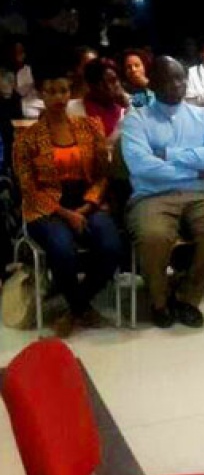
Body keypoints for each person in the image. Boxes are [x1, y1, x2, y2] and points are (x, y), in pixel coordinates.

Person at [121, 57, 204, 329]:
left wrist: (169, 154)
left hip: (200, 194)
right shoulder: (136, 119)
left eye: (180, 78)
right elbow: (141, 165)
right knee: (153, 235)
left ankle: (187, 296)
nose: (175, 84)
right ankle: (159, 300)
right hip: (152, 195)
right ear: (152, 83)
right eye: (167, 79)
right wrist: (194, 171)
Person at [13, 65, 123, 337]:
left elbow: (102, 175)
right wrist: (66, 213)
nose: (58, 97)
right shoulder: (27, 139)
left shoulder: (90, 127)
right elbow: (29, 189)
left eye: (63, 91)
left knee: (111, 246)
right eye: (51, 92)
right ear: (41, 94)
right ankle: (80, 307)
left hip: (86, 200)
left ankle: (75, 307)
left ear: (70, 92)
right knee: (62, 251)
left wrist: (87, 206)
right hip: (46, 206)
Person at [67, 58, 129, 141]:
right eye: (100, 83)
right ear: (91, 85)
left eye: (113, 80)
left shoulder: (126, 113)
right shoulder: (71, 109)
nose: (108, 87)